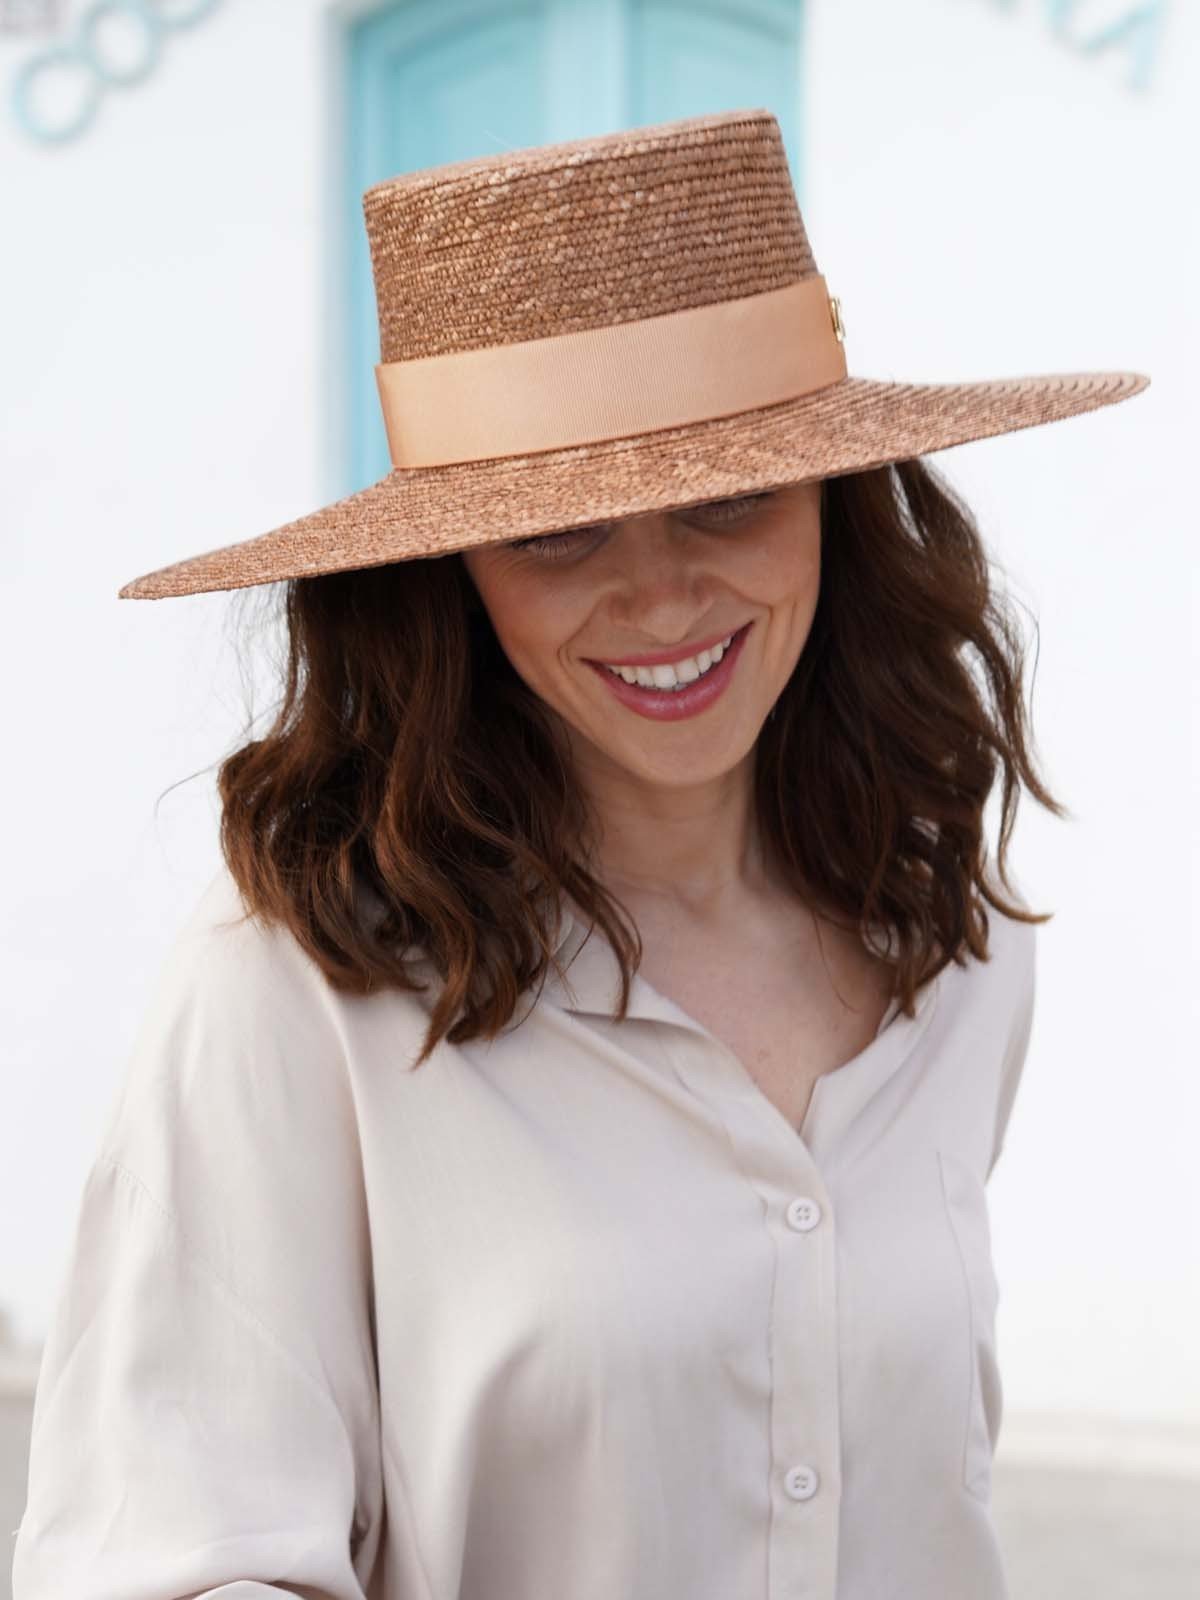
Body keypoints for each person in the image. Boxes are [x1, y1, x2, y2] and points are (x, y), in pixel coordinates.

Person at [12, 109, 1149, 1600]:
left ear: (836, 502)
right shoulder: (295, 987)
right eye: (558, 534)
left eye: (729, 498)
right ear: (450, 575)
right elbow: (174, 1552)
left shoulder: (948, 947)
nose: (662, 598)